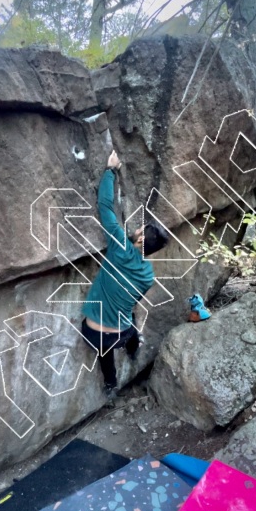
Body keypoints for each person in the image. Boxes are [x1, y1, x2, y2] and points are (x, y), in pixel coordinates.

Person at [81, 149, 169, 401]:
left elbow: (105, 206)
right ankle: (132, 347)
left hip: (91, 334)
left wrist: (111, 170)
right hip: (118, 335)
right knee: (129, 321)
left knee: (102, 347)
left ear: (141, 238)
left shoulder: (120, 245)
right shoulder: (147, 275)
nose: (136, 227)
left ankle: (110, 384)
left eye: (140, 228)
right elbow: (133, 301)